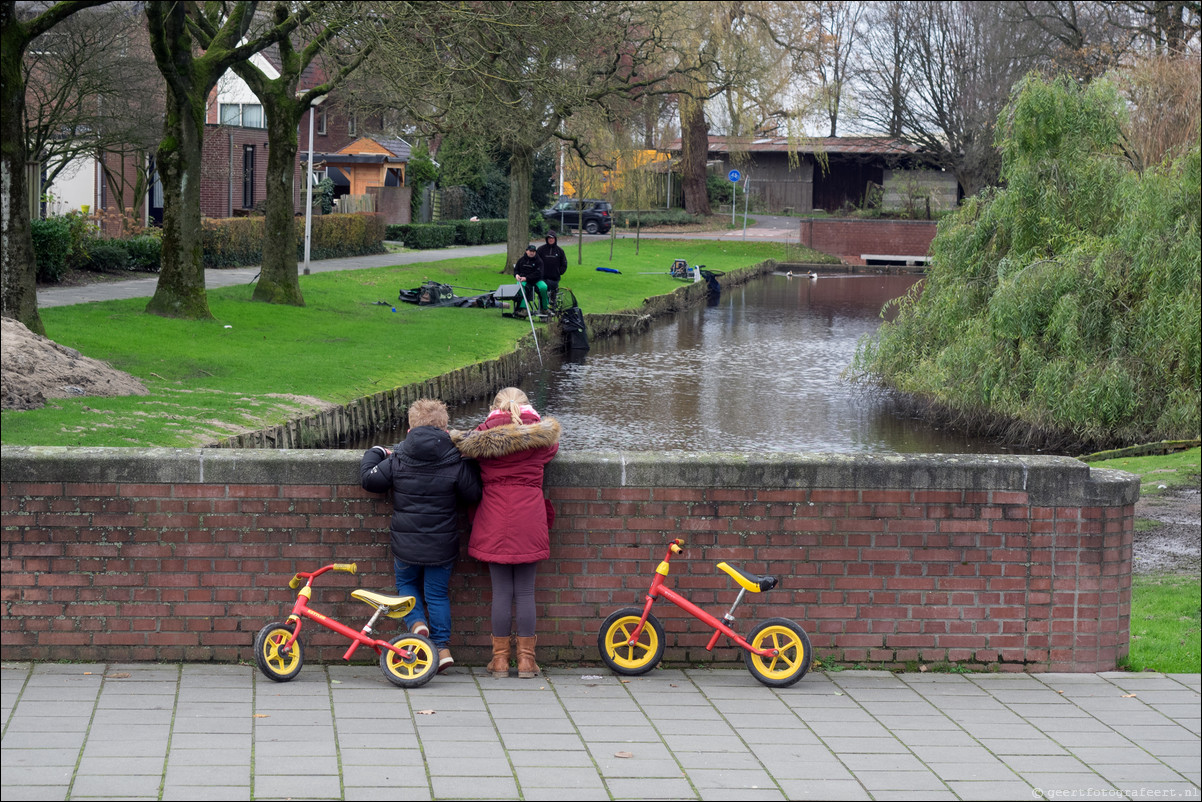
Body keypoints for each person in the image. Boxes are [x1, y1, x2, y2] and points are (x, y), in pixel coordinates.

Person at [360, 398, 482, 673]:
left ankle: (416, 624)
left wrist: (378, 450)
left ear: (410, 427)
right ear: (445, 427)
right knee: (437, 595)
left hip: (406, 544)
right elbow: (473, 493)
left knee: (406, 586)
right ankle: (442, 648)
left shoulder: (400, 456)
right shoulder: (454, 459)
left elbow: (370, 479)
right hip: (442, 543)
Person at [451, 388, 560, 678]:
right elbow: (553, 448)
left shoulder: (480, 441)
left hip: (494, 517)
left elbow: (467, 447)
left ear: (493, 409)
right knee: (525, 592)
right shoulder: (541, 439)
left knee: (501, 592)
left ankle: (499, 662)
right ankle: (526, 661)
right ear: (527, 408)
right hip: (529, 517)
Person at [513, 245, 549, 316]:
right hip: (524, 280)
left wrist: (527, 278)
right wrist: (516, 275)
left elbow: (538, 273)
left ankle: (544, 308)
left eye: (533, 251)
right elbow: (516, 270)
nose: (532, 253)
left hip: (536, 280)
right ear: (526, 251)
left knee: (544, 287)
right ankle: (523, 309)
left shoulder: (539, 261)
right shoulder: (521, 260)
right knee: (520, 287)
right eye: (530, 251)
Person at [536, 231, 567, 308]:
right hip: (542, 278)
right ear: (547, 239)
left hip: (554, 279)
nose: (551, 240)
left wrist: (559, 272)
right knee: (542, 292)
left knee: (553, 296)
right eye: (549, 238)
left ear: (555, 239)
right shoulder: (540, 249)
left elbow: (564, 264)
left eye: (552, 238)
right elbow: (535, 262)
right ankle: (543, 309)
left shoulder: (560, 251)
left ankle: (552, 308)